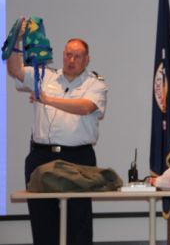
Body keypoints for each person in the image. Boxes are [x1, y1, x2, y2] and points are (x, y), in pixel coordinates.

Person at [7, 26, 108, 245]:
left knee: (78, 223)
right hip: (41, 157)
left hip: (78, 159)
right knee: (43, 221)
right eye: (68, 54)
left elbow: (85, 107)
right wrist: (17, 40)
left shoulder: (96, 83)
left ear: (87, 59)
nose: (72, 60)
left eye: (78, 56)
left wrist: (48, 100)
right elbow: (15, 70)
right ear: (62, 55)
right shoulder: (44, 75)